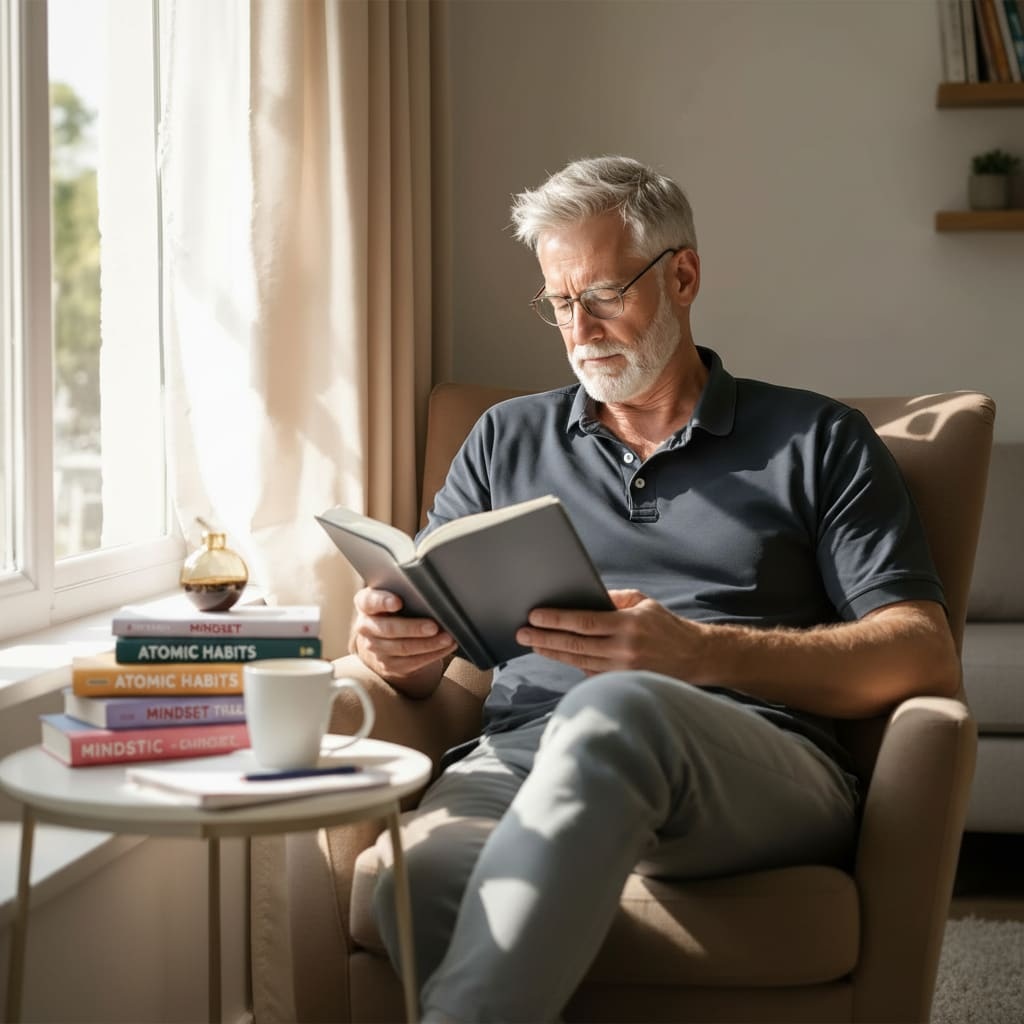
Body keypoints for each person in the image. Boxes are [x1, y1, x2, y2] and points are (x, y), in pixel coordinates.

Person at [350, 155, 959, 1023]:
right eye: (559, 303)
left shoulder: (818, 439)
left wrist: (700, 652)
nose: (580, 327)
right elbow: (429, 661)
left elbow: (924, 650)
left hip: (750, 762)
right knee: (423, 881)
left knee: (619, 711)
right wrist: (393, 648)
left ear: (684, 274)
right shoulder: (502, 440)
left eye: (602, 294)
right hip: (517, 755)